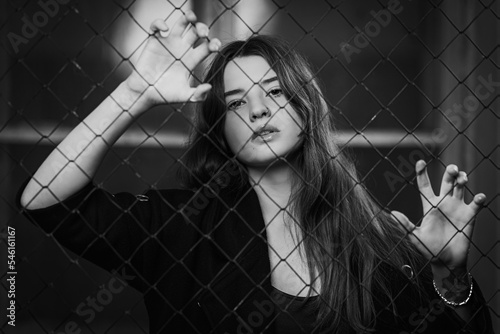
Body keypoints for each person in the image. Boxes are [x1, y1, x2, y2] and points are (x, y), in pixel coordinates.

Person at [19, 10, 493, 334]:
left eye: (275, 91)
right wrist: (134, 92)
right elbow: (44, 200)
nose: (260, 111)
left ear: (306, 109)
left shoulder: (377, 237)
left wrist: (449, 272)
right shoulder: (180, 228)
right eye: (237, 102)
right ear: (220, 130)